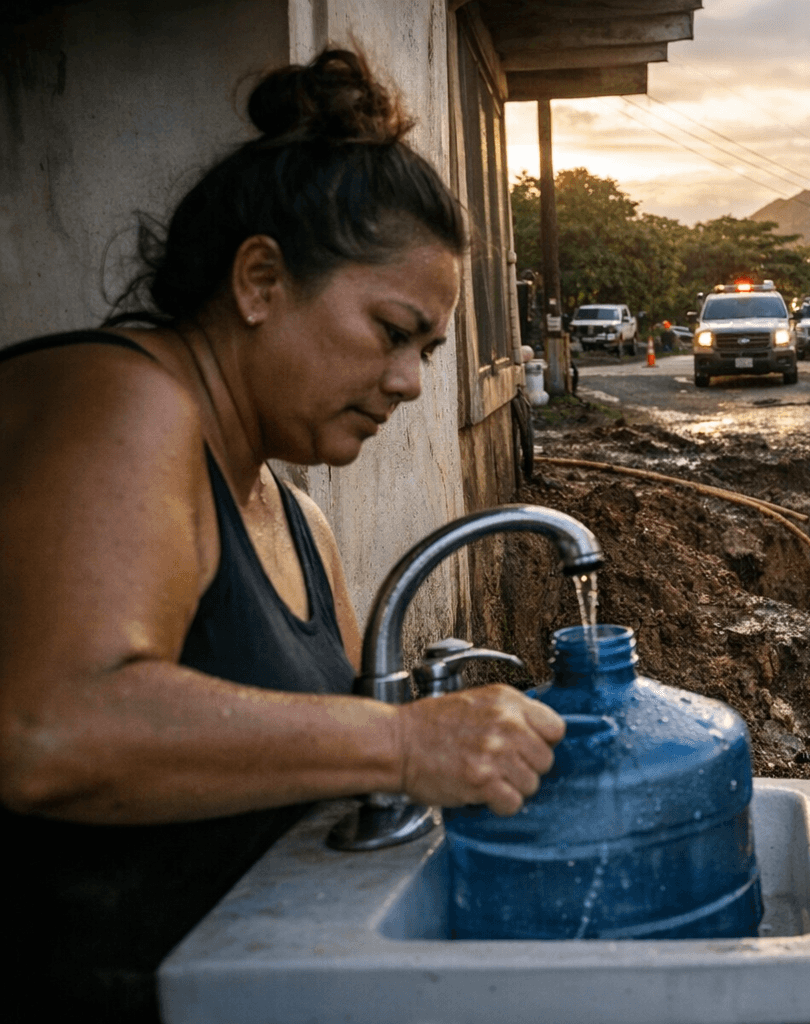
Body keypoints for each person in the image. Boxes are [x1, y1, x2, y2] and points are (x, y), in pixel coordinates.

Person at [0, 50, 566, 1020]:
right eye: (392, 330)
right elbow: (51, 731)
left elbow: (327, 786)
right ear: (260, 279)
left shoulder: (299, 521)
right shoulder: (124, 395)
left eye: (430, 352)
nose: (410, 383)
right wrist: (399, 742)